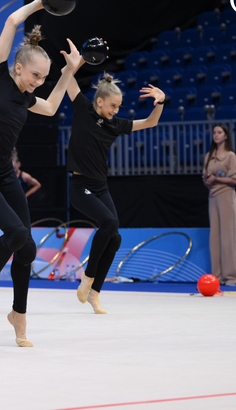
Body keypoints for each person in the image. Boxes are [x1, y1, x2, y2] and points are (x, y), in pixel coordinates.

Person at [0, 0, 84, 348]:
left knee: (26, 246)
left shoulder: (29, 99)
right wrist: (41, 3)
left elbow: (51, 106)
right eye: (35, 75)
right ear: (18, 68)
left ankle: (18, 315)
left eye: (43, 77)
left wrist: (68, 72)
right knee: (15, 232)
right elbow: (12, 22)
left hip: (4, 173)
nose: (38, 82)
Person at [66, 72, 165, 314]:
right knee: (109, 223)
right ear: (99, 101)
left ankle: (94, 293)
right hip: (80, 186)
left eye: (118, 107)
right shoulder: (83, 109)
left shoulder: (114, 124)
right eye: (112, 106)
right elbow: (67, 78)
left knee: (115, 237)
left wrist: (161, 102)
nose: (115, 111)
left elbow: (150, 122)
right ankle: (88, 276)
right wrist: (75, 64)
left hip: (100, 186)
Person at [203, 123, 236, 286]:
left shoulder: (230, 156)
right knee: (215, 238)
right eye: (214, 132)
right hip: (212, 196)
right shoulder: (209, 156)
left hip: (226, 195)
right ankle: (217, 276)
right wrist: (208, 181)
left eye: (219, 132)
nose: (216, 135)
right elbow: (205, 176)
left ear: (226, 136)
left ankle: (231, 277)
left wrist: (217, 179)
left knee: (228, 236)